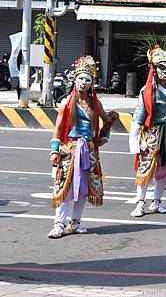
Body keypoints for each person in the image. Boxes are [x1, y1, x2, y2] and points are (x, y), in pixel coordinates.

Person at [47, 56, 118, 238]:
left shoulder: (96, 104)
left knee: (84, 188)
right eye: (81, 78)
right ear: (74, 79)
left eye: (88, 79)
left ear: (92, 83)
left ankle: (75, 222)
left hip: (89, 150)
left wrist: (111, 121)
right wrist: (55, 150)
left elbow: (105, 125)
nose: (84, 83)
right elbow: (57, 129)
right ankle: (59, 224)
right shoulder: (66, 104)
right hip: (70, 149)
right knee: (64, 186)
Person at [129, 47, 166, 217]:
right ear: (155, 69)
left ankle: (156, 202)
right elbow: (138, 116)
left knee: (164, 170)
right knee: (145, 168)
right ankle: (139, 203)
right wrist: (136, 141)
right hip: (151, 133)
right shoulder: (148, 90)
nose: (164, 71)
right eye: (161, 67)